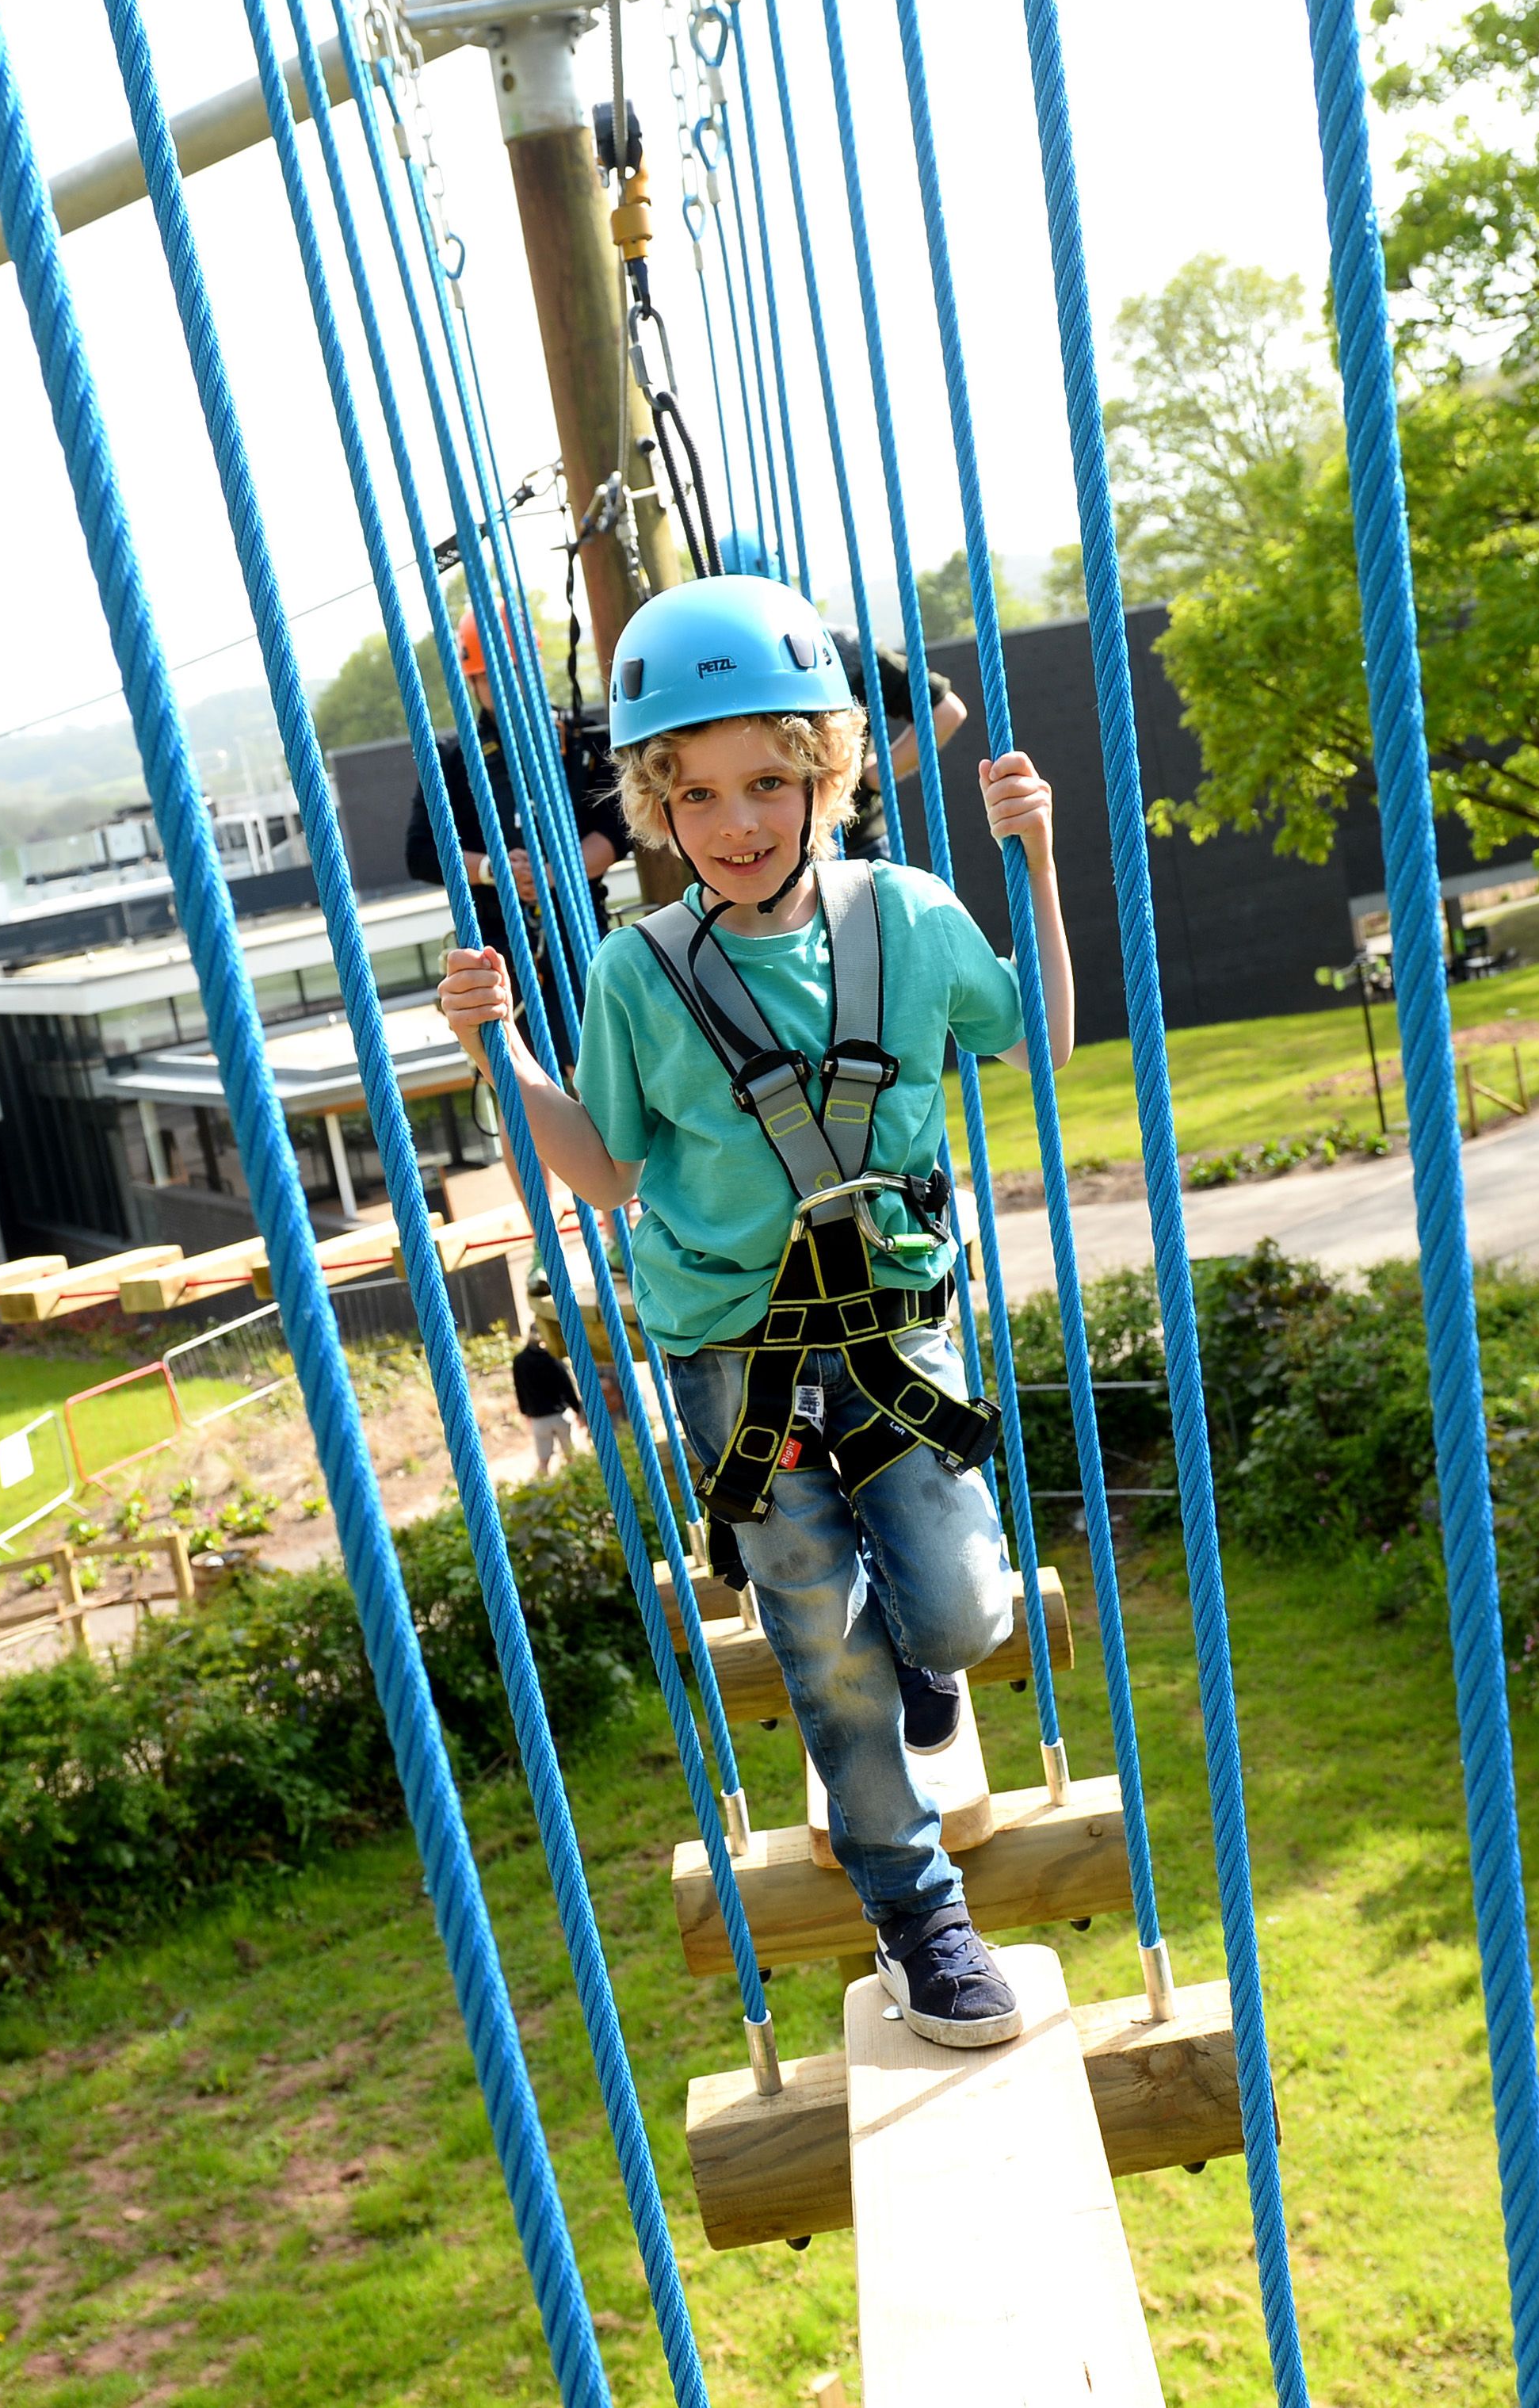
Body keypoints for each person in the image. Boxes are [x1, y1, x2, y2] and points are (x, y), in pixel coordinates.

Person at [438, 571, 1073, 2048]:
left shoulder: (907, 918)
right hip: (734, 1351)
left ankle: (919, 1642)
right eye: (701, 790)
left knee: (963, 1617)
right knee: (819, 1636)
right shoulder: (639, 972)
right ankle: (916, 1913)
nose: (738, 823)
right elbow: (603, 1167)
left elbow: (1038, 1042)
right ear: (658, 799)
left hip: (895, 1326)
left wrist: (1030, 863)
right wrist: (501, 1045)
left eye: (770, 781)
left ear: (824, 774)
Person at [716, 532, 969, 863]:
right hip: (775, 850)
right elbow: (946, 711)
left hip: (839, 844)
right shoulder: (836, 647)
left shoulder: (842, 650)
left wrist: (875, 775)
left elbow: (945, 710)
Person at [404, 610, 631, 953]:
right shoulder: (451, 760)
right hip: (497, 944)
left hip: (583, 932)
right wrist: (494, 869)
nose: (502, 685)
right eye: (487, 676)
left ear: (533, 668)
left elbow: (619, 827)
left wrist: (552, 876)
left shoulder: (585, 739)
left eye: (512, 671)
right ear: (473, 682)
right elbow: (421, 853)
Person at [513, 1327, 585, 1475]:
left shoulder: (519, 1361)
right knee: (570, 1456)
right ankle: (576, 1486)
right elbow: (567, 1387)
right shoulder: (553, 1358)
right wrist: (578, 1410)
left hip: (538, 1418)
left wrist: (525, 1412)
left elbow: (519, 1388)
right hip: (559, 1415)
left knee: (543, 1461)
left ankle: (545, 1489)